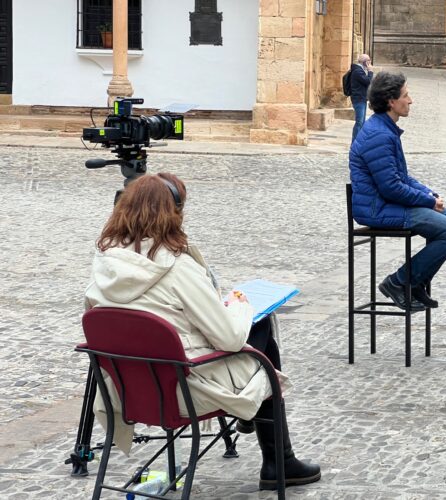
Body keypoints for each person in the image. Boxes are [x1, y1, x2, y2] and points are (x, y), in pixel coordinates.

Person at [83, 173, 320, 491]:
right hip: (183, 390)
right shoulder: (177, 268)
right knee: (259, 327)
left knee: (250, 334)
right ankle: (279, 459)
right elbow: (230, 338)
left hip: (128, 391)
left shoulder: (105, 266)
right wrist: (239, 305)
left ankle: (276, 453)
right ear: (173, 213)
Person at [349, 72, 446, 310]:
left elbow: (401, 177)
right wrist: (426, 202)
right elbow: (391, 188)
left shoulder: (385, 129)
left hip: (392, 205)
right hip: (379, 210)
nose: (411, 100)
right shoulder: (379, 135)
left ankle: (416, 283)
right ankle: (399, 281)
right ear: (391, 102)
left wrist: (429, 194)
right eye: (406, 95)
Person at [350, 54, 373, 143]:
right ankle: (354, 142)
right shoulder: (357, 71)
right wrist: (370, 71)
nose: (370, 63)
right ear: (365, 62)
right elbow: (368, 81)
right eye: (369, 61)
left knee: (362, 122)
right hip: (358, 99)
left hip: (362, 99)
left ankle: (359, 141)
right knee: (359, 121)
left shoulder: (360, 70)